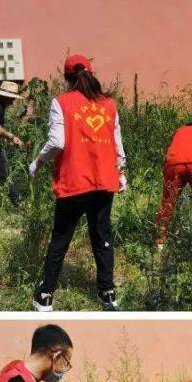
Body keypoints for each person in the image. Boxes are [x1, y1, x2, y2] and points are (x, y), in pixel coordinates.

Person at [29, 54, 127, 312]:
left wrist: (38, 162)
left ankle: (45, 296)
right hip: (104, 180)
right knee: (102, 237)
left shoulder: (60, 102)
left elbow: (57, 142)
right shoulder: (109, 104)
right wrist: (122, 172)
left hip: (74, 181)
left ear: (67, 78)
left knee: (60, 238)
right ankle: (108, 294)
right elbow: (118, 143)